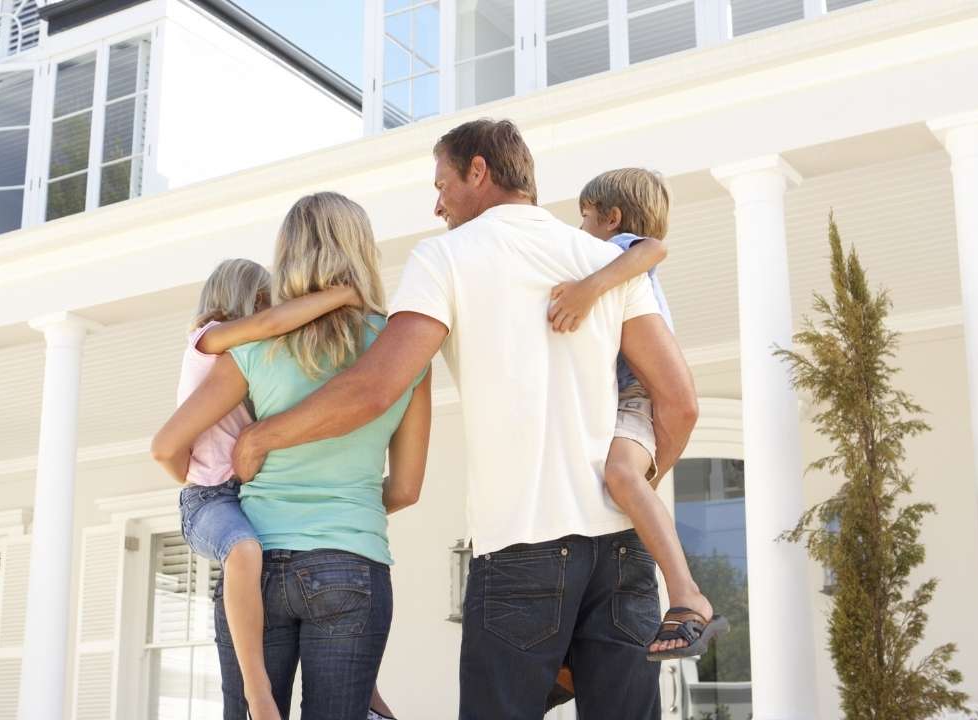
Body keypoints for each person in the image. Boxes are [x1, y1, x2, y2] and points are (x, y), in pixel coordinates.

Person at [230, 119, 700, 719]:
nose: (437, 205)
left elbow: (376, 387)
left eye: (442, 184)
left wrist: (264, 433)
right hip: (620, 554)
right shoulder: (601, 259)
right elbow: (679, 403)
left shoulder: (446, 257)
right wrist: (634, 488)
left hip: (519, 551)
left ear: (479, 171)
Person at [162, 192, 431, 720]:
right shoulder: (403, 350)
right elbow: (405, 489)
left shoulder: (250, 348)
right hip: (352, 562)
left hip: (258, 559)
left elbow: (173, 443)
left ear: (287, 258)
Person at [151, 258, 368, 720]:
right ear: (242, 304)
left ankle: (371, 700)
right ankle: (258, 694)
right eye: (265, 302)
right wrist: (345, 295)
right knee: (245, 551)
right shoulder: (207, 342)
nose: (272, 314)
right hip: (208, 497)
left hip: (244, 492)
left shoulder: (251, 363)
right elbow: (164, 450)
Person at [547, 168, 727, 661]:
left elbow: (654, 249)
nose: (579, 229)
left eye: (584, 218)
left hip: (639, 392)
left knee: (622, 476)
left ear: (612, 218)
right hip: (623, 394)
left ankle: (688, 595)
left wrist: (587, 289)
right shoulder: (612, 257)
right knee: (611, 503)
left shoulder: (622, 252)